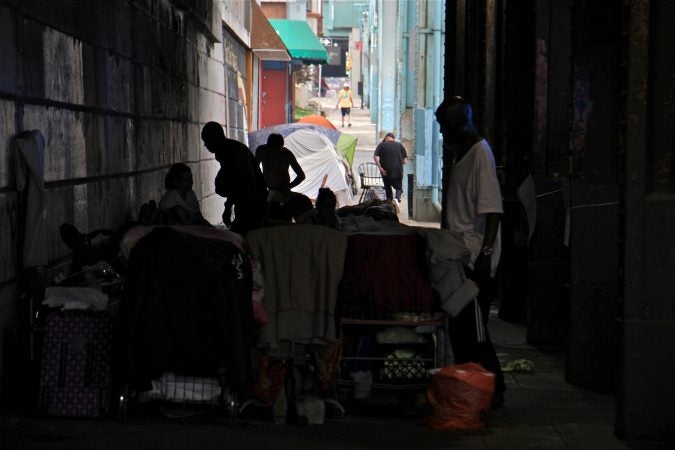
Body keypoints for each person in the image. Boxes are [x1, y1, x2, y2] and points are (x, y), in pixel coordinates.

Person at [434, 96, 506, 407]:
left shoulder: (480, 155)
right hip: (459, 253)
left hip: (472, 256)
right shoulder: (463, 154)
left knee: (475, 333)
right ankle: (473, 391)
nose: (442, 134)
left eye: (444, 128)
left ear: (459, 126)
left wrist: (484, 256)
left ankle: (493, 391)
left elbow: (492, 211)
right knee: (464, 332)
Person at [201, 122, 267, 235]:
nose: (205, 145)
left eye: (207, 141)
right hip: (250, 196)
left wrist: (229, 207)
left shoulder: (228, 152)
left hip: (252, 197)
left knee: (247, 232)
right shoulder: (228, 149)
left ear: (215, 140)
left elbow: (242, 181)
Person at [255, 133, 306, 222]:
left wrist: (288, 187)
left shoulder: (287, 154)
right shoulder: (261, 151)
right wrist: (260, 186)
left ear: (282, 147)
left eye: (278, 150)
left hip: (283, 194)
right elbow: (254, 170)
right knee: (267, 219)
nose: (276, 154)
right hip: (267, 192)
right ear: (268, 146)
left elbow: (301, 175)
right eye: (273, 151)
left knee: (284, 219)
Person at [373, 132, 408, 203]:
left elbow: (375, 157)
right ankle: (397, 198)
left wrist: (380, 168)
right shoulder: (400, 145)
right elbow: (405, 160)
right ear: (393, 139)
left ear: (386, 138)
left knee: (387, 188)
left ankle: (389, 202)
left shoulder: (381, 145)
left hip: (385, 171)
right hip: (397, 171)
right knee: (399, 188)